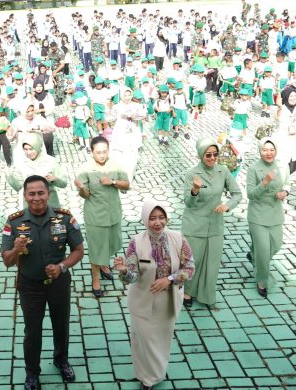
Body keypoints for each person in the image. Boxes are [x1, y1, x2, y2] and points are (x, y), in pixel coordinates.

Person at [1, 175, 84, 390]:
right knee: (32, 331)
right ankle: (32, 373)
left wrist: (62, 267)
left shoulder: (64, 218)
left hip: (59, 283)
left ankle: (61, 360)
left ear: (48, 193)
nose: (36, 198)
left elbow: (78, 251)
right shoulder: (14, 221)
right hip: (30, 286)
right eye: (31, 193)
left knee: (61, 324)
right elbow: (7, 262)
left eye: (41, 193)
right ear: (25, 195)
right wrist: (16, 250)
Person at [114, 200, 195, 390]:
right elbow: (132, 278)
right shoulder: (136, 242)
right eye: (152, 218)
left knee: (161, 339)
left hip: (168, 300)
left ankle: (155, 375)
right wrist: (125, 270)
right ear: (145, 220)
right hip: (143, 300)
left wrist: (169, 279)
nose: (157, 222)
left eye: (161, 218)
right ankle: (145, 377)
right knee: (143, 339)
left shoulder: (178, 239)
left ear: (166, 218)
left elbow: (190, 267)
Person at [181, 137, 242, 308]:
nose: (212, 158)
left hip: (215, 224)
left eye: (215, 154)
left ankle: (206, 295)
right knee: (193, 260)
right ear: (201, 155)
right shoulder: (192, 174)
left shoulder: (223, 171)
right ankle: (187, 291)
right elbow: (188, 202)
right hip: (194, 225)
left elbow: (237, 193)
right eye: (208, 155)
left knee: (212, 262)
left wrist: (227, 206)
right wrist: (194, 190)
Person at [74, 136, 130, 298]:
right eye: (98, 152)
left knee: (111, 244)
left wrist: (112, 181)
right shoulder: (86, 169)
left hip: (113, 214)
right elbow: (85, 195)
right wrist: (82, 187)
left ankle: (105, 266)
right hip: (95, 216)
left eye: (105, 151)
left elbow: (127, 184)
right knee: (97, 248)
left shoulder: (116, 164)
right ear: (92, 152)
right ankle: (96, 279)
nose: (102, 155)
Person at [246, 137, 290, 297]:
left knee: (276, 245)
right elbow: (250, 194)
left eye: (271, 149)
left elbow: (287, 183)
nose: (268, 153)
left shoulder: (282, 165)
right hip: (257, 215)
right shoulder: (253, 168)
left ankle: (254, 255)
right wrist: (264, 182)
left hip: (275, 213)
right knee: (263, 251)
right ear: (260, 151)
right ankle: (262, 281)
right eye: (265, 150)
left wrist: (285, 192)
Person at [6, 132, 67, 209]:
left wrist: (54, 179)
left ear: (38, 146)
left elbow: (64, 183)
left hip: (50, 204)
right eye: (26, 149)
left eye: (31, 149)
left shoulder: (51, 161)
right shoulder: (21, 163)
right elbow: (18, 186)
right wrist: (8, 175)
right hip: (30, 206)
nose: (29, 152)